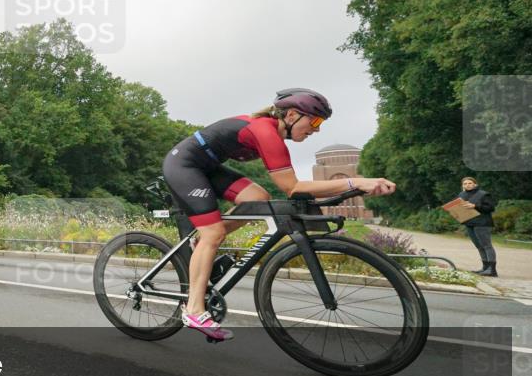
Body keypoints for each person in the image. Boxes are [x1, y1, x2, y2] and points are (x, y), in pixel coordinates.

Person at [162, 88, 397, 341]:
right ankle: (194, 310)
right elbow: (293, 188)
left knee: (258, 199)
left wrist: (351, 187)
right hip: (183, 165)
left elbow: (293, 188)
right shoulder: (265, 131)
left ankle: (202, 241)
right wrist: (356, 183)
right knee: (214, 233)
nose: (316, 129)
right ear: (293, 115)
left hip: (207, 166)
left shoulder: (275, 132)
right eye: (315, 121)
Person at [458, 176, 497, 277]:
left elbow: (491, 208)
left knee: (486, 245)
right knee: (479, 246)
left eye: (470, 183)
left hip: (482, 223)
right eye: (465, 184)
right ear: (462, 186)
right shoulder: (461, 194)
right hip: (469, 223)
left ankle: (492, 270)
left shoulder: (483, 194)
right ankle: (484, 268)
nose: (467, 185)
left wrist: (475, 206)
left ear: (475, 184)